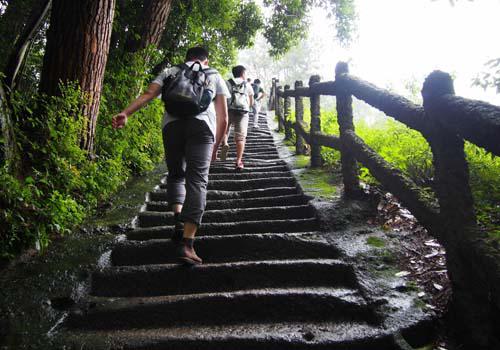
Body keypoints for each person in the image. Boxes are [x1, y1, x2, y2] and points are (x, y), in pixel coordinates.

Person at [112, 47, 229, 265]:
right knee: (197, 181)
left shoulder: (171, 71)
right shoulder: (214, 75)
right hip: (202, 128)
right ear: (206, 60)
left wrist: (126, 113)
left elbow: (149, 94)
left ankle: (178, 219)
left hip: (172, 127)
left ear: (186, 59)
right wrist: (216, 144)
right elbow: (223, 118)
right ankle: (187, 244)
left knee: (176, 175)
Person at [219, 65, 254, 170]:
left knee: (225, 129)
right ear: (243, 73)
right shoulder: (247, 85)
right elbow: (251, 102)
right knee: (240, 137)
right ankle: (238, 161)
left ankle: (225, 143)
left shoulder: (227, 83)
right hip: (242, 112)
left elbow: (222, 98)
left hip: (229, 110)